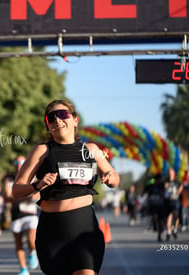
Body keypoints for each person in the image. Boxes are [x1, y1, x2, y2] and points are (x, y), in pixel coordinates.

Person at [12, 99, 120, 275]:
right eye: (51, 118)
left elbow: (114, 177)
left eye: (62, 114)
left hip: (85, 230)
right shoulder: (41, 151)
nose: (57, 120)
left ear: (75, 120)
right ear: (48, 125)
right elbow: (16, 189)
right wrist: (37, 185)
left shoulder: (91, 149)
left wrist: (110, 177)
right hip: (52, 234)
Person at [4, 156, 40, 275]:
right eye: (16, 162)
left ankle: (32, 252)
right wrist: (23, 195)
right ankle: (23, 269)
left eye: (22, 162)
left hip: (30, 213)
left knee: (31, 240)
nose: (19, 164)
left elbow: (37, 195)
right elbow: (6, 197)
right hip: (16, 215)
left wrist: (18, 195)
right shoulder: (9, 179)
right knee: (18, 244)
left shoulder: (32, 177)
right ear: (13, 164)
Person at [164, 168, 183, 241]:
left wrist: (178, 192)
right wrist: (165, 187)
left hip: (175, 200)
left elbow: (181, 186)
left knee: (176, 216)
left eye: (171, 173)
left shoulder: (176, 181)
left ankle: (174, 230)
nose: (170, 174)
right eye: (169, 173)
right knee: (169, 216)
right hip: (168, 201)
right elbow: (163, 190)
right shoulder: (166, 181)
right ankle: (168, 232)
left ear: (173, 174)